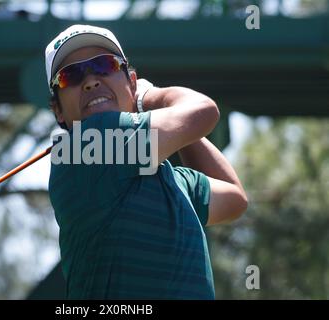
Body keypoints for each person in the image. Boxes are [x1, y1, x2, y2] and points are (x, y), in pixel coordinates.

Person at [45, 24, 248, 299]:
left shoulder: (173, 180)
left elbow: (235, 198)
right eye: (70, 76)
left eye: (104, 65)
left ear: (130, 80)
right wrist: (149, 97)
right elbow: (204, 112)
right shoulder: (84, 148)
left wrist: (174, 126)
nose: (91, 80)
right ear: (57, 110)